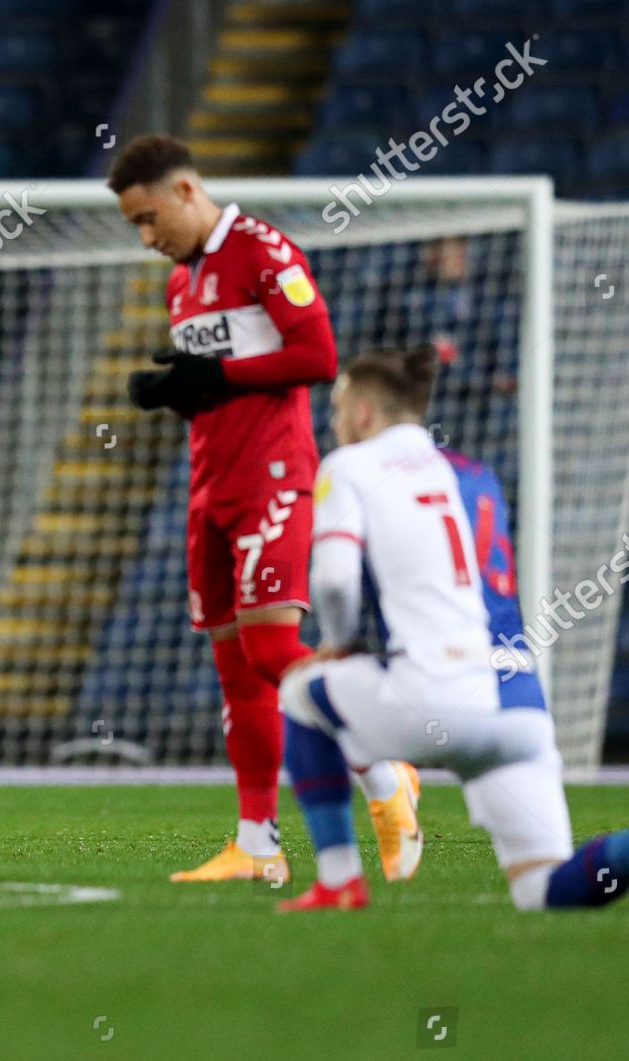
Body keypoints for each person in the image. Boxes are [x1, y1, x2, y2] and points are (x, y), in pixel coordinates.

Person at [276, 346, 629, 912]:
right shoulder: (476, 475)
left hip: (434, 692)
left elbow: (334, 582)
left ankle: (339, 879)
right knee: (541, 888)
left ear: (365, 414)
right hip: (518, 704)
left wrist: (339, 646)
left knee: (299, 696)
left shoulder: (349, 467)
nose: (333, 424)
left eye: (338, 410)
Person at [109, 135, 421, 884]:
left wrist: (215, 372)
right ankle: (257, 842)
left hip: (274, 477)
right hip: (209, 483)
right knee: (236, 671)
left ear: (186, 190)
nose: (150, 239)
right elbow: (224, 387)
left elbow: (316, 355)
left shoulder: (261, 249)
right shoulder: (182, 284)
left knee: (272, 651)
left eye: (152, 219)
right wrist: (183, 392)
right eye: (136, 228)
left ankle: (389, 775)